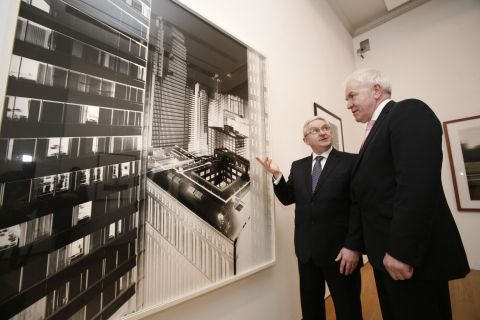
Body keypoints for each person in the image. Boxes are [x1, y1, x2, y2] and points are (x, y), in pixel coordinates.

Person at [344, 68, 470, 320]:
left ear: (376, 90)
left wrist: (402, 250)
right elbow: (367, 197)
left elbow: (417, 184)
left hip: (408, 260)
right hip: (385, 260)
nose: (348, 105)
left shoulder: (408, 112)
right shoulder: (373, 132)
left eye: (352, 96)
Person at [256, 116, 363, 320]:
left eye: (325, 128)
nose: (323, 132)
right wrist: (276, 175)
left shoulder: (351, 161)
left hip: (341, 254)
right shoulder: (298, 167)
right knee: (311, 309)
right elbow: (288, 198)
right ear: (306, 140)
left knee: (348, 309)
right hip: (307, 253)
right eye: (315, 130)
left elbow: (359, 206)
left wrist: (353, 246)